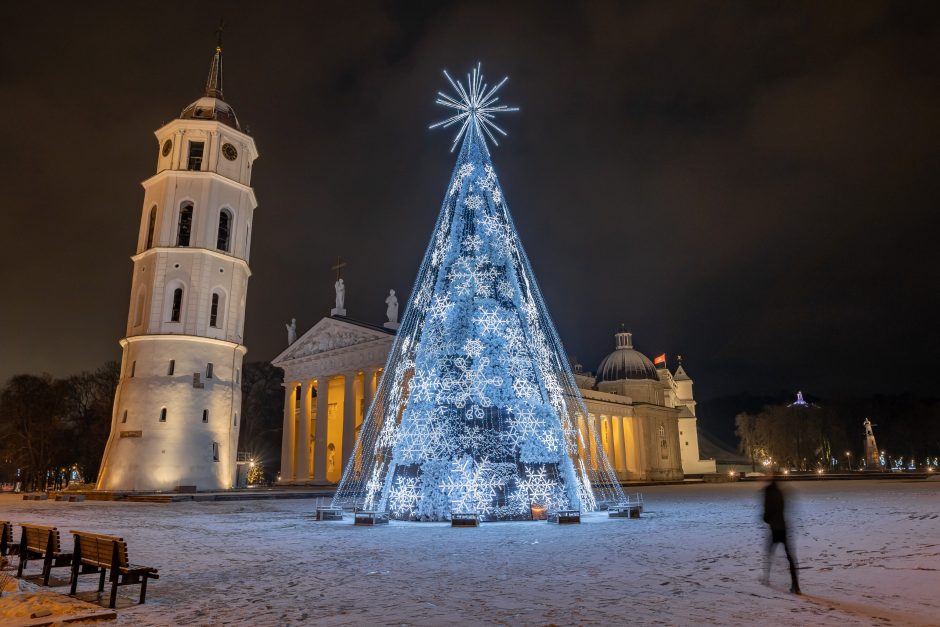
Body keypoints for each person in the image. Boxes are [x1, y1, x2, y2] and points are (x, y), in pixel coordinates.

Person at [762, 475, 801, 594]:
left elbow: (766, 515)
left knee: (769, 552)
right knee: (790, 557)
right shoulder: (779, 493)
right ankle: (796, 585)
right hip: (783, 527)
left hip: (775, 528)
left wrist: (767, 518)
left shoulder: (768, 493)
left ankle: (766, 579)